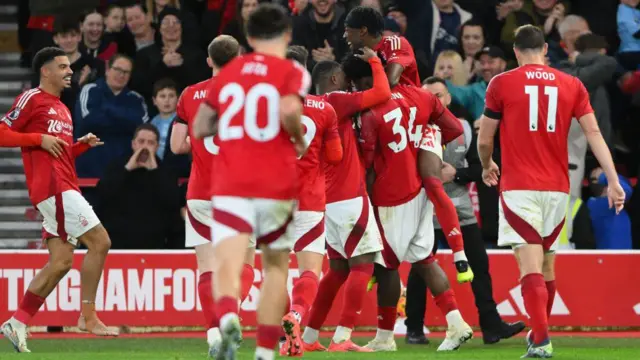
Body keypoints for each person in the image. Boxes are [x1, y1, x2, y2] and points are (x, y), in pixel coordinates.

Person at [477, 25, 625, 358]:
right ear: (545, 49)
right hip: (559, 190)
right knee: (546, 267)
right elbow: (595, 134)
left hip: (519, 188)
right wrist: (614, 180)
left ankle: (541, 340)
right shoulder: (572, 84)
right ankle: (539, 334)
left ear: (516, 52)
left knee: (529, 266)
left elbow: (485, 138)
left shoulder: (501, 82)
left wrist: (487, 164)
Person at [192, 4, 310, 360]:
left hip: (229, 182)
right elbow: (289, 111)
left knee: (228, 263)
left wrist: (230, 125)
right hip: (274, 181)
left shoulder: (228, 73)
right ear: (287, 34)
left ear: (249, 37)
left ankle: (228, 316)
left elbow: (199, 127)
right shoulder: (292, 71)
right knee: (275, 268)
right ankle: (263, 352)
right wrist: (298, 139)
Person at [346, 57, 472, 352]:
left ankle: (384, 336)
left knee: (387, 266)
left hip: (393, 194)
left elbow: (367, 164)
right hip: (420, 191)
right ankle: (456, 324)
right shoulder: (420, 97)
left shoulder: (373, 108)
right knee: (424, 261)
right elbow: (451, 129)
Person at [0, 47, 117, 353]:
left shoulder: (62, 108)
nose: (69, 71)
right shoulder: (32, 98)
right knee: (100, 242)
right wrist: (37, 138)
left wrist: (79, 147)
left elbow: (58, 154)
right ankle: (88, 315)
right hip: (55, 189)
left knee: (61, 262)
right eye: (62, 66)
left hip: (63, 184)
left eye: (69, 66)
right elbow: (2, 133)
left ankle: (18, 321)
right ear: (46, 71)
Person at [404, 76, 525, 345]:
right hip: (424, 210)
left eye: (439, 95)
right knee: (420, 269)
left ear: (448, 98)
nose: (435, 101)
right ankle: (413, 328)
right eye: (428, 96)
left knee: (479, 265)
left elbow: (480, 168)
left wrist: (455, 173)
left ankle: (491, 325)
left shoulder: (464, 130)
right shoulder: (410, 130)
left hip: (460, 210)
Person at [169, 34, 256, 357]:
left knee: (207, 268)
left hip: (202, 193)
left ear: (209, 61)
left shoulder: (191, 95)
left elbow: (177, 146)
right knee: (243, 264)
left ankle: (212, 335)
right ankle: (230, 315)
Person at [300, 51, 389, 353]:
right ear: (335, 80)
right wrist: (376, 61)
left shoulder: (307, 109)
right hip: (349, 196)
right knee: (364, 265)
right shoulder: (336, 101)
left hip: (325, 198)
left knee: (337, 270)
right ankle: (342, 337)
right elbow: (382, 92)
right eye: (346, 80)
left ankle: (309, 337)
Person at [278, 45, 343, 357]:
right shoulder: (324, 108)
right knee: (310, 271)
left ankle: (281, 334)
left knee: (275, 270)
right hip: (310, 198)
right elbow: (335, 156)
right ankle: (297, 317)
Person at [96, 124, 184, 249]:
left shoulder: (165, 170)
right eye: (141, 142)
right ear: (133, 144)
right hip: (118, 237)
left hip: (155, 239)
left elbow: (172, 201)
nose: (145, 147)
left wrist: (154, 171)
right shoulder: (117, 166)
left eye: (150, 143)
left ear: (157, 147)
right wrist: (127, 169)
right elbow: (103, 193)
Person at [75, 54, 149, 178]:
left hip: (125, 172)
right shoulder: (90, 90)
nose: (121, 75)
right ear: (108, 70)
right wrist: (124, 119)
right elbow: (87, 122)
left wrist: (107, 109)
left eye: (126, 72)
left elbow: (141, 128)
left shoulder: (136, 99)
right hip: (89, 170)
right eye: (118, 70)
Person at [343, 6, 420, 87]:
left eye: (347, 30)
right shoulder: (360, 53)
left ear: (362, 31)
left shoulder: (396, 43)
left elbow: (391, 81)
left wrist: (373, 60)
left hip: (407, 98)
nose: (344, 36)